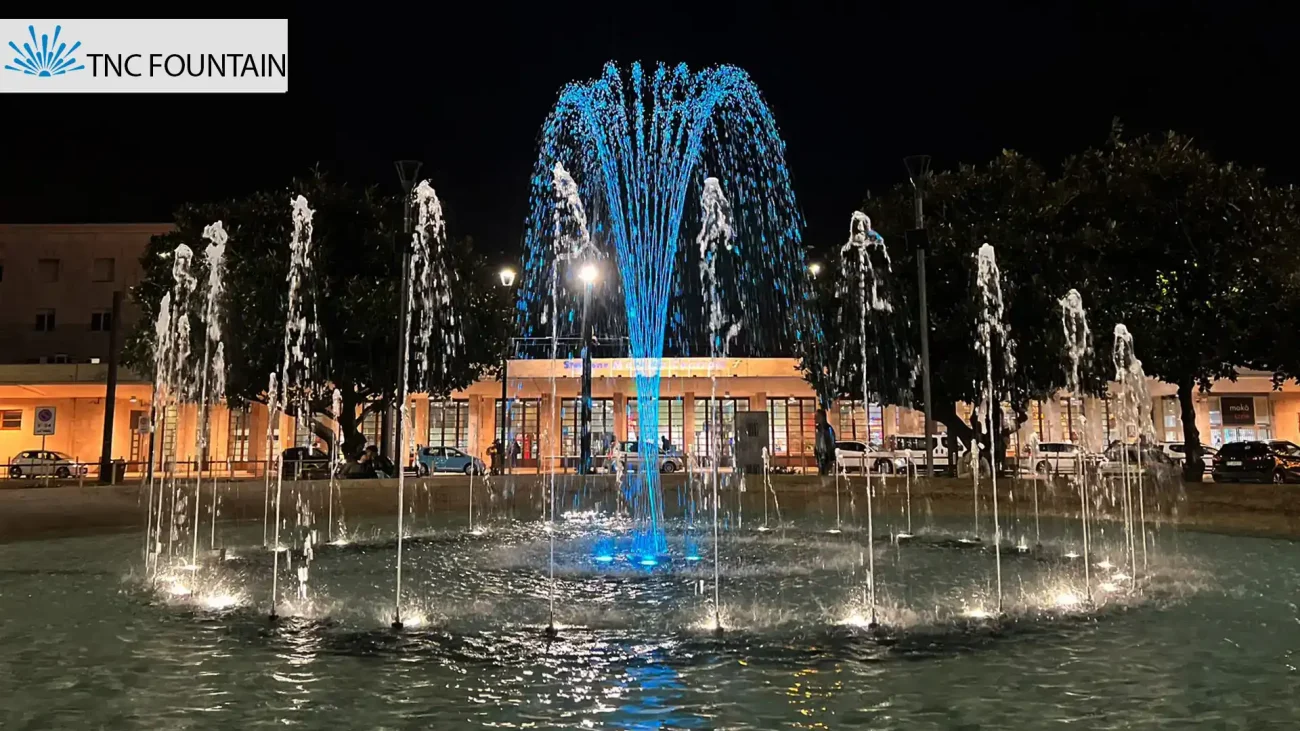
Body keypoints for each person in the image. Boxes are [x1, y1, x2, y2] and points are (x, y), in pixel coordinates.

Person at [814, 408, 836, 475]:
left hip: (826, 457)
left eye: (817, 416)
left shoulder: (828, 429)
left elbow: (832, 444)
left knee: (825, 473)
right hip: (820, 456)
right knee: (821, 474)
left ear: (822, 417)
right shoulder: (818, 430)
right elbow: (817, 443)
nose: (815, 418)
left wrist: (831, 458)